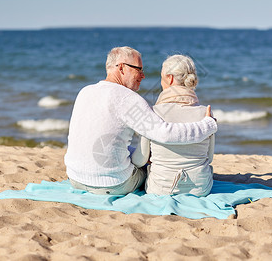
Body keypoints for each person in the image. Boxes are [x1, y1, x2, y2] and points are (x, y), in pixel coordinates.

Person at [64, 47, 217, 195]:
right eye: (139, 69)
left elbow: (101, 141)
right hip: (112, 184)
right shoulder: (128, 99)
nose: (143, 76)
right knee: (148, 170)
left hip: (75, 178)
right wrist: (207, 125)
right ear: (122, 68)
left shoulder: (85, 91)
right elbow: (165, 134)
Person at [132, 55, 215, 196]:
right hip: (201, 189)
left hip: (160, 189)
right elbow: (209, 157)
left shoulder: (153, 113)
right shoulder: (205, 113)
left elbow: (140, 160)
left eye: (161, 77)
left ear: (169, 78)